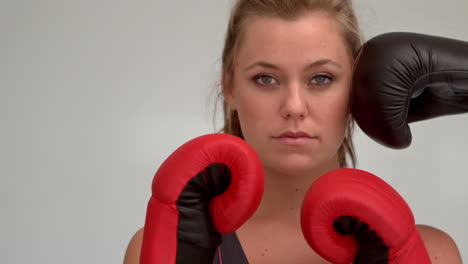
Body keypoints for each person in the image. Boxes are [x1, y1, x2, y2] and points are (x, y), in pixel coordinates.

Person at [123, 0, 462, 263]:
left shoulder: (433, 255)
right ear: (229, 85)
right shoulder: (156, 250)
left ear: (357, 86)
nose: (294, 106)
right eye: (266, 79)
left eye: (321, 78)